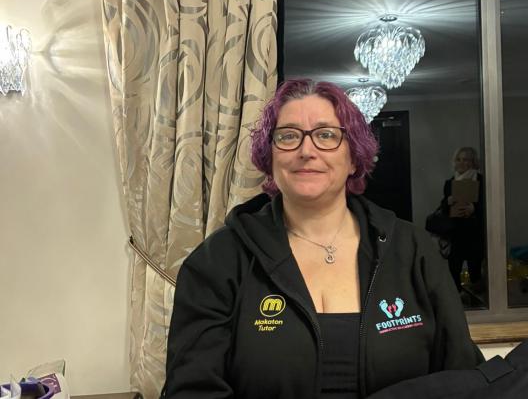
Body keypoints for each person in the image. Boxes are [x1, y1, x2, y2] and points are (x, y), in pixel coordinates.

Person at [162, 79, 483, 399]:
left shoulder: (413, 250)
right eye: (288, 136)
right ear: (269, 157)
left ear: (354, 157)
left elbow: (463, 376)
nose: (306, 151)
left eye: (326, 135)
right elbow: (192, 390)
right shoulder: (218, 261)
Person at [441, 147, 485, 292]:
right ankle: (457, 297)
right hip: (456, 233)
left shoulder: (481, 181)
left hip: (474, 233)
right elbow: (443, 210)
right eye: (458, 159)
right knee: (454, 268)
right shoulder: (450, 182)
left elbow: (489, 206)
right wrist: (448, 202)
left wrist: (474, 209)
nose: (461, 162)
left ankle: (476, 299)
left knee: (475, 269)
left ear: (473, 162)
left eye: (465, 159)